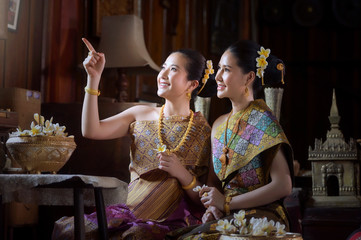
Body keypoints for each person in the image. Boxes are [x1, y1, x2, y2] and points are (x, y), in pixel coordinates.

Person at [52, 38, 217, 240]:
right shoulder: (140, 114)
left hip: (170, 220)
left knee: (137, 236)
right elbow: (91, 130)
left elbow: (205, 199)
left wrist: (181, 173)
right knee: (69, 230)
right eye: (163, 67)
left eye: (173, 69)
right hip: (129, 211)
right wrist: (93, 78)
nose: (162, 74)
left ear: (192, 84)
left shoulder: (204, 132)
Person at [167, 40, 294, 239]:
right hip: (227, 216)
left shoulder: (263, 120)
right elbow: (214, 186)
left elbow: (283, 185)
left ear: (249, 77)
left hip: (262, 216)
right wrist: (212, 209)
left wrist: (227, 204)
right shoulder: (217, 124)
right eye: (218, 69)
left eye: (226, 69)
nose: (217, 76)